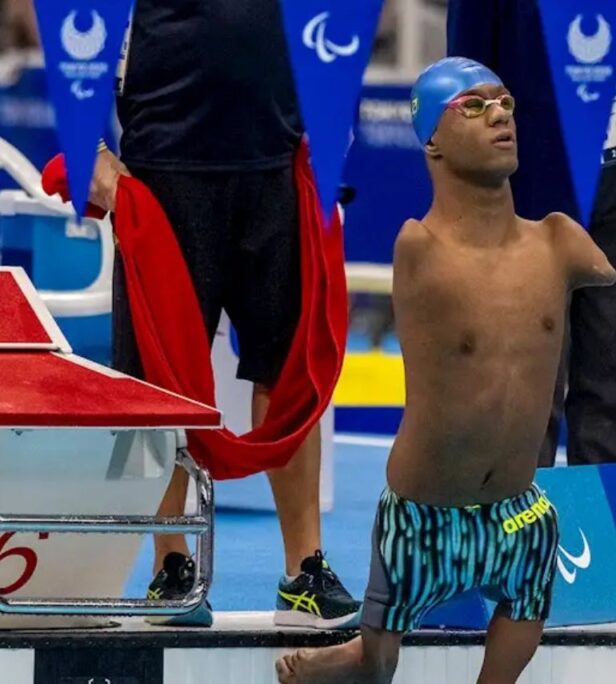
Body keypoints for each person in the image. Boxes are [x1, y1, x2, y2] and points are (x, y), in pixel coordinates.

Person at [275, 57, 616, 684]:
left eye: (506, 101)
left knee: (528, 599)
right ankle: (356, 655)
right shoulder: (419, 247)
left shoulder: (558, 243)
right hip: (424, 513)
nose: (500, 115)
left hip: (517, 508)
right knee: (378, 667)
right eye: (473, 105)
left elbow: (607, 271)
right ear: (430, 138)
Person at [89, 0, 359, 629]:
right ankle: (171, 566)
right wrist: (87, 148)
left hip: (278, 161)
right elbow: (69, 18)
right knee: (156, 384)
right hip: (162, 170)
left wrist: (332, 112)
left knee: (288, 371)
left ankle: (304, 573)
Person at [447, 0, 616, 467]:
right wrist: (476, 182)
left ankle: (602, 521)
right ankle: (520, 516)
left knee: (613, 370)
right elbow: (467, 75)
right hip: (534, 184)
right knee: (531, 369)